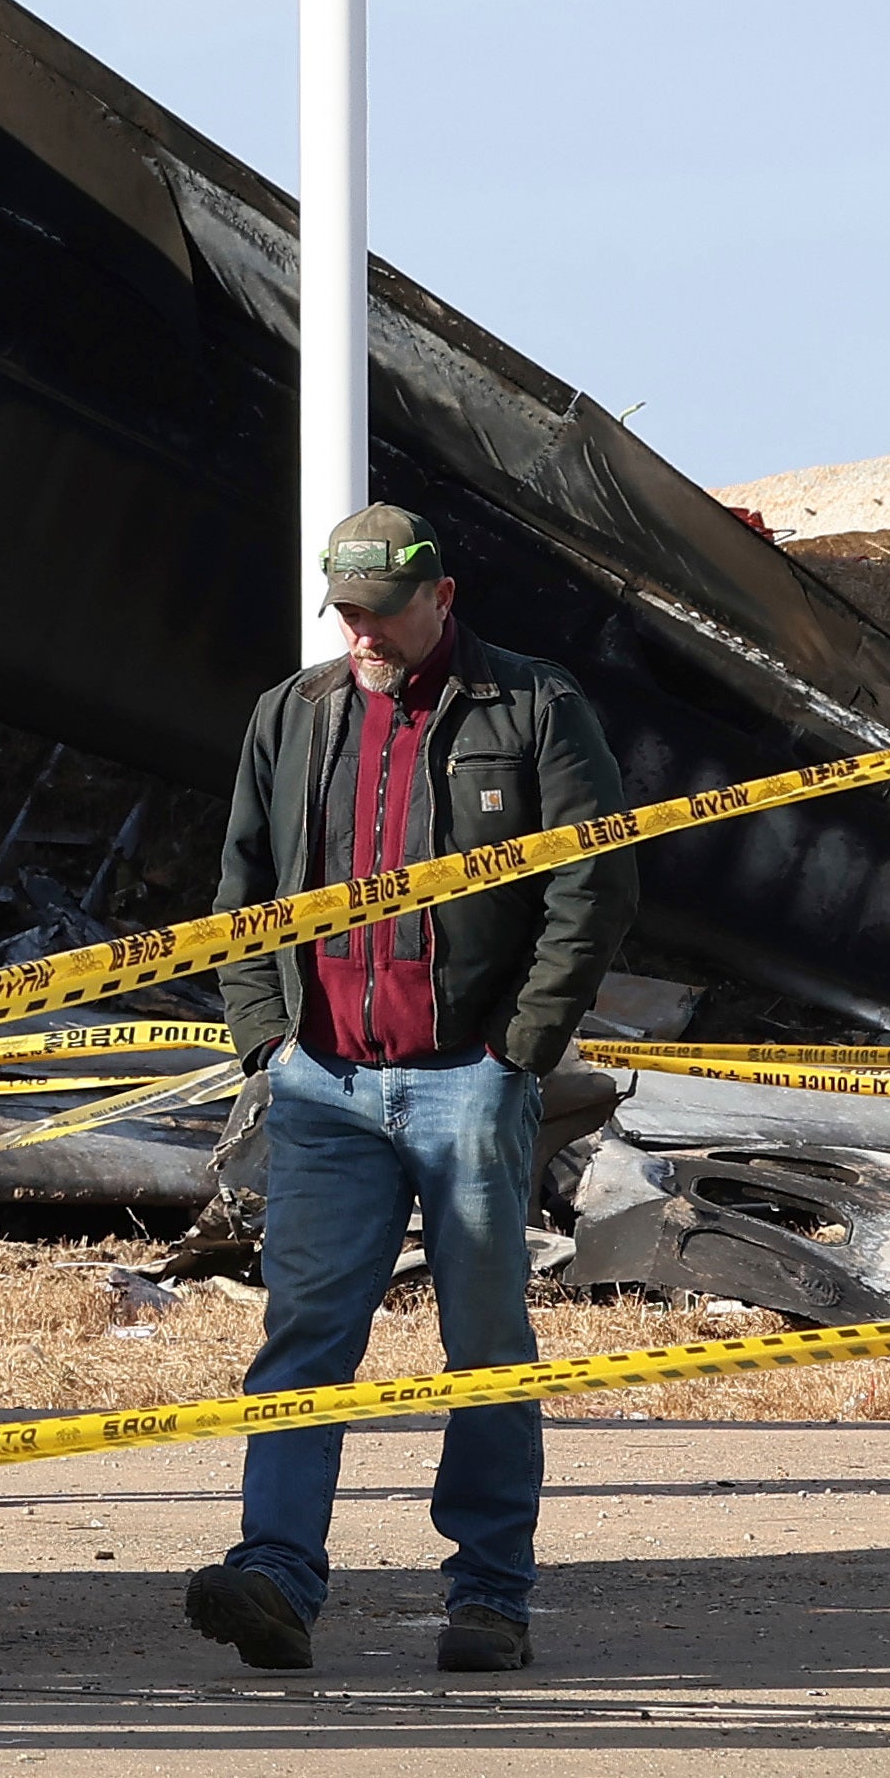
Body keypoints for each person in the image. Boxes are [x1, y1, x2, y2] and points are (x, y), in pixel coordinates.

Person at [189, 503, 631, 1680]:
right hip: (324, 1083)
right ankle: (276, 1574)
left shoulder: (532, 706)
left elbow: (592, 883)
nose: (364, 632)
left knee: (485, 1343)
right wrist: (266, 1038)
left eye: (382, 610)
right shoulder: (293, 712)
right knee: (302, 1335)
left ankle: (489, 1594)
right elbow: (244, 884)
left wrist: (519, 1048)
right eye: (347, 612)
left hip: (467, 1083)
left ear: (442, 597)